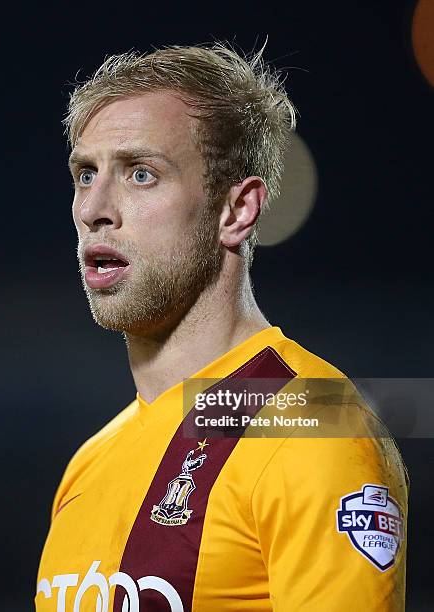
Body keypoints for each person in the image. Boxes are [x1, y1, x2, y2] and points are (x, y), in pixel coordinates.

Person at [35, 43, 408, 611]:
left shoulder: (310, 425)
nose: (94, 209)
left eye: (140, 174)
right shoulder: (90, 461)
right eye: (85, 175)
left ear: (237, 211)